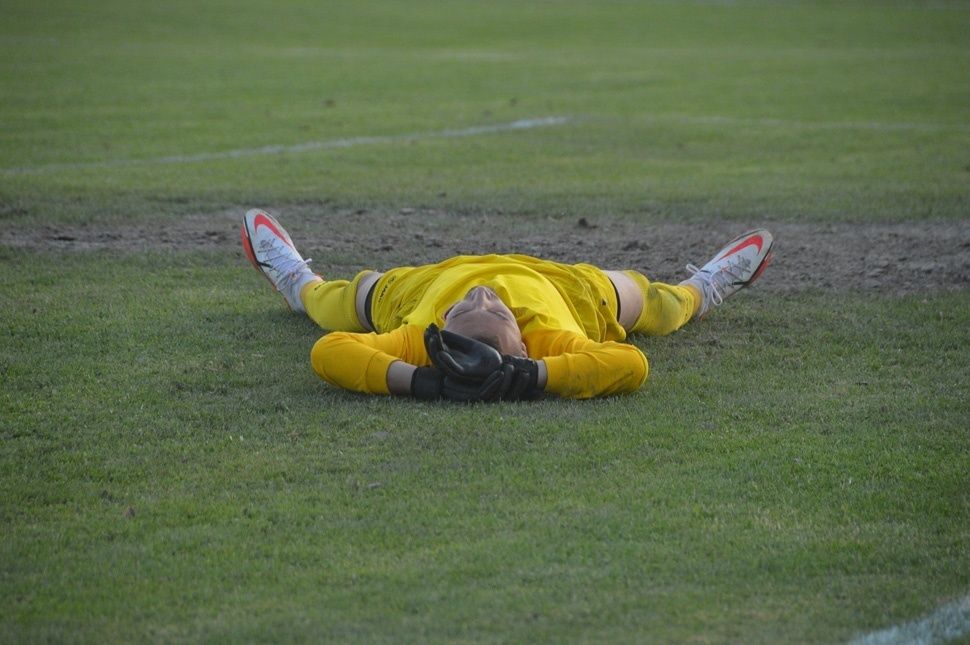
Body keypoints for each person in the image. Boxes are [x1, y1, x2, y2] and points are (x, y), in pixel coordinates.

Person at [240, 209, 773, 401]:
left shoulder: (424, 341)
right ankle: (703, 289)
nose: (485, 295)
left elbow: (329, 352)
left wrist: (422, 382)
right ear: (519, 344)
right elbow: (630, 364)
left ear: (444, 330)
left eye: (469, 310)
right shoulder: (543, 343)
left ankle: (296, 279)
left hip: (427, 280)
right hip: (566, 286)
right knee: (654, 305)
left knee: (333, 306)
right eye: (494, 312)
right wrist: (533, 376)